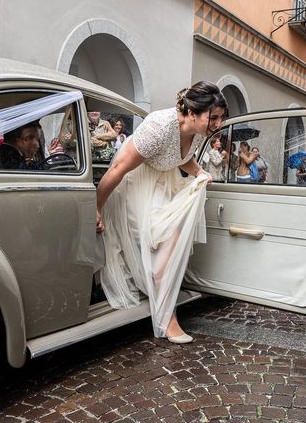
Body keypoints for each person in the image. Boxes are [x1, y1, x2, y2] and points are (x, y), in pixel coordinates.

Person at [96, 81, 227, 343]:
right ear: (191, 113)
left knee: (172, 238)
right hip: (135, 184)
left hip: (163, 182)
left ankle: (163, 294)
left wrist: (199, 172)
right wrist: (97, 208)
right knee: (164, 236)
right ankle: (168, 315)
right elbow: (118, 169)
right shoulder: (158, 127)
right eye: (213, 118)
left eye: (222, 118)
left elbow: (181, 156)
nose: (218, 124)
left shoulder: (197, 131)